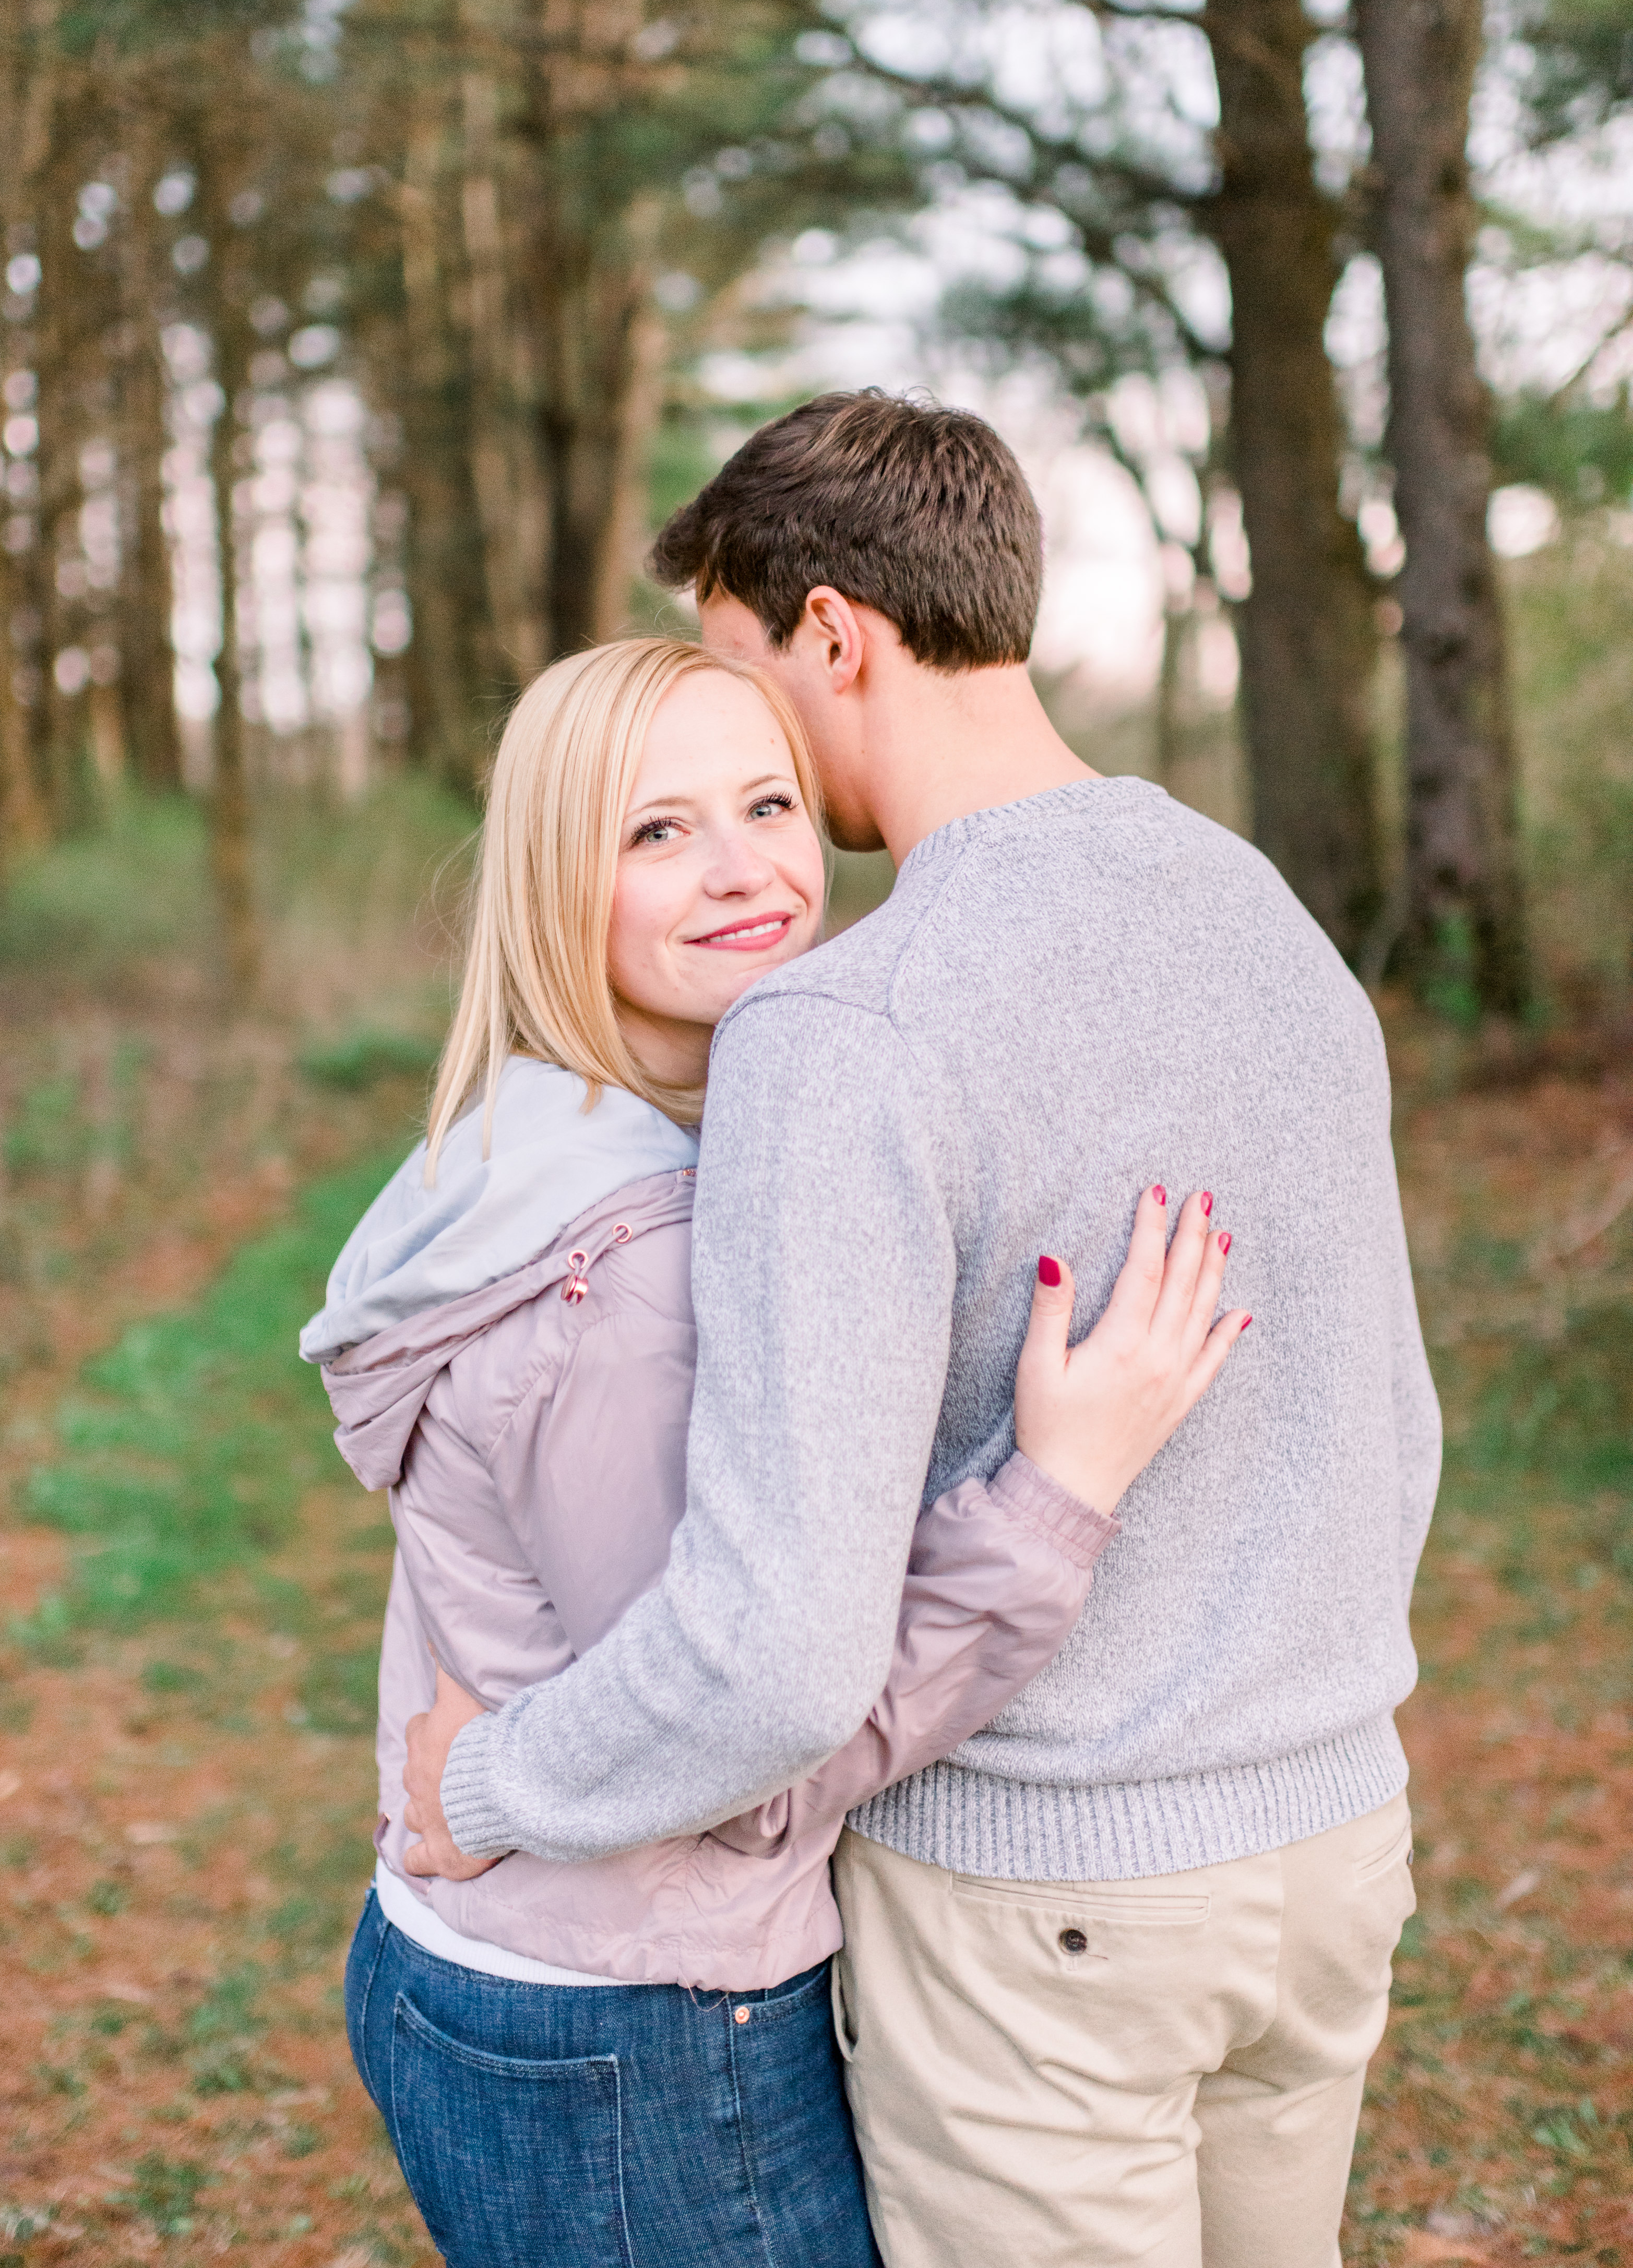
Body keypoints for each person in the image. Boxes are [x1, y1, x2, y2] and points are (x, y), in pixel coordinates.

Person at [403, 392, 1445, 2268]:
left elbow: (781, 1648)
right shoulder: (1264, 914)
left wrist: (490, 1781)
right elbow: (1391, 1418)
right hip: (1334, 1845)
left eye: (736, 674)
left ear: (830, 633)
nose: (743, 737)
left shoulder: (848, 1022)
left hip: (1042, 1899)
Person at [304, 633, 1247, 2268]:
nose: (745, 871)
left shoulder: (533, 1144)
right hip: (642, 2026)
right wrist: (1056, 1492)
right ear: (549, 884)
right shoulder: (633, 1280)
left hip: (531, 1972)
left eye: (767, 803)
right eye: (654, 832)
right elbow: (741, 1742)